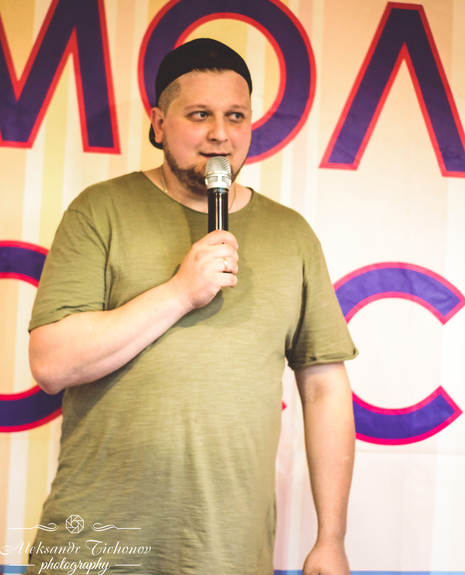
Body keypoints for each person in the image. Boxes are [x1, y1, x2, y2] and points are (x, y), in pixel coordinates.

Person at [28, 38, 357, 575]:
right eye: (199, 114)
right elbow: (51, 363)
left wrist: (332, 538)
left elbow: (325, 388)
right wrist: (181, 292)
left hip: (225, 550)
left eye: (236, 116)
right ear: (159, 124)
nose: (220, 134)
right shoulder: (100, 210)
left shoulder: (291, 235)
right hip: (96, 546)